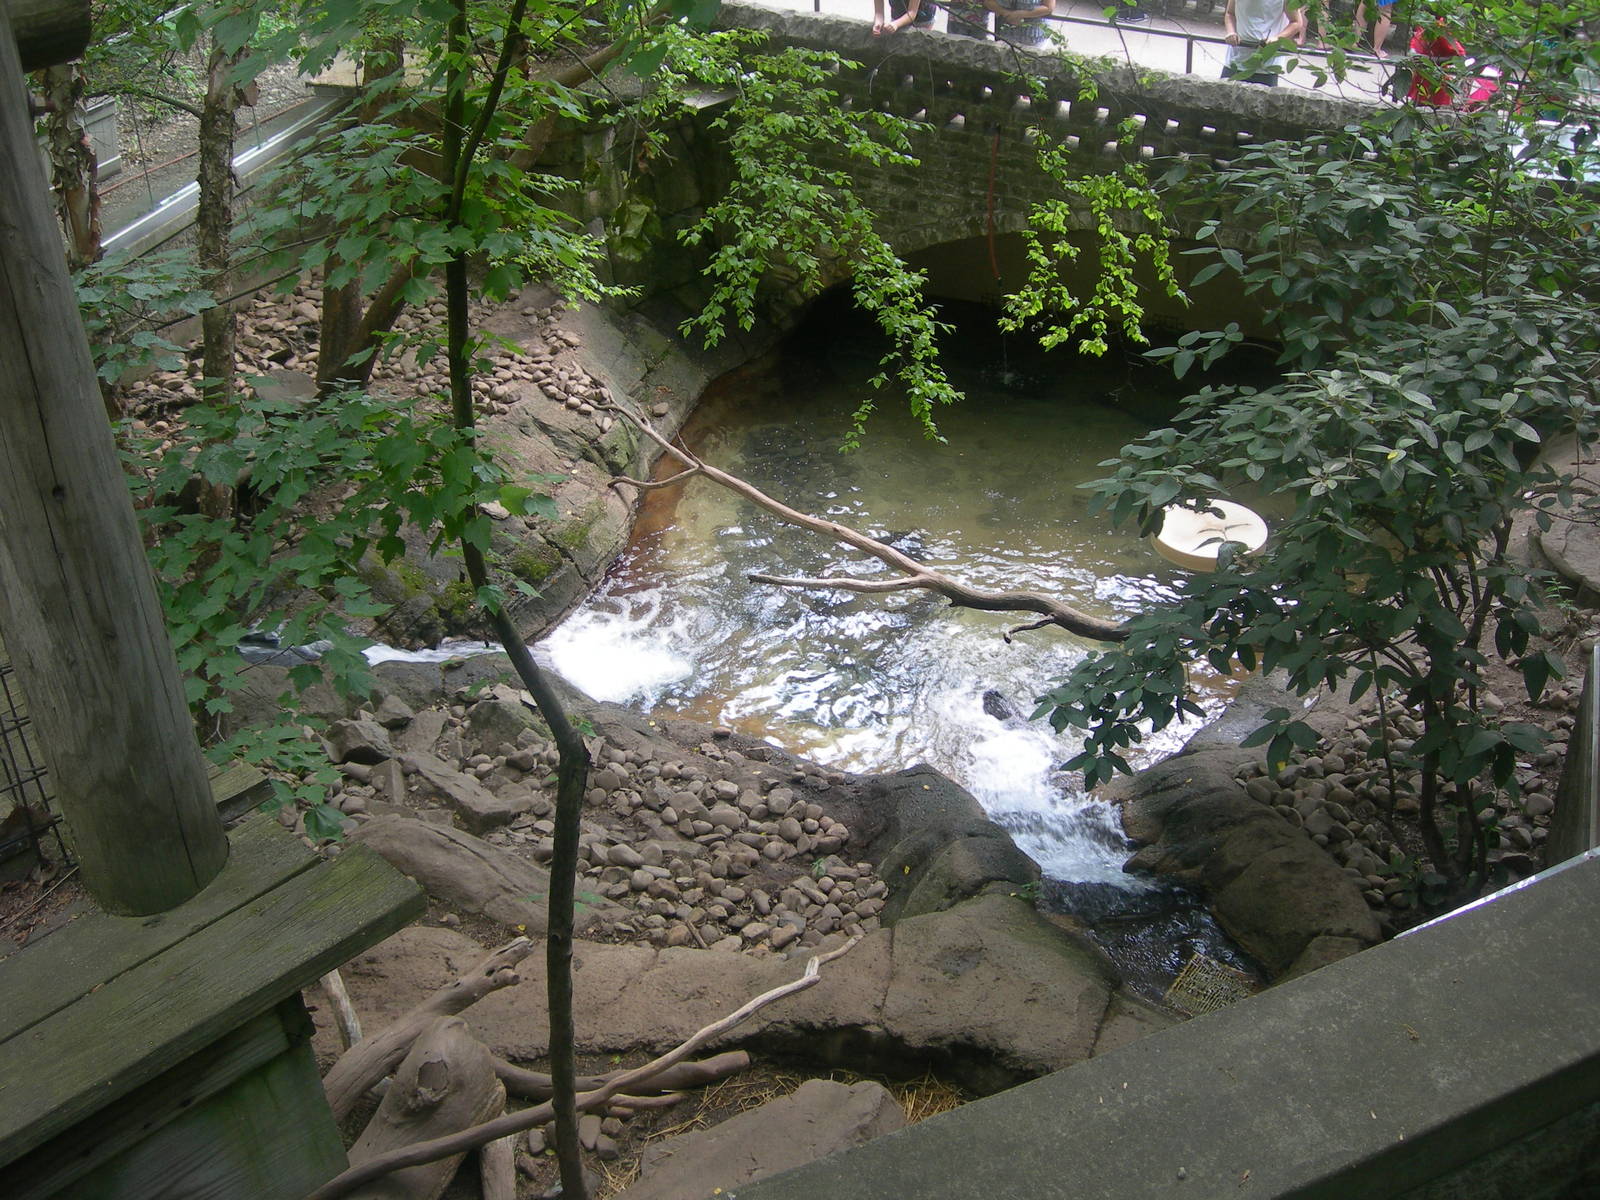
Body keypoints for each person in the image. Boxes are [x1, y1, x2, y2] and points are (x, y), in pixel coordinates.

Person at [1222, 0, 1305, 85]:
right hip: (1236, 59)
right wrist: (1231, 32)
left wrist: (1277, 38)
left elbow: (1296, 22)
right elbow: (1230, 13)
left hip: (1267, 65)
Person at [989, 0, 1057, 46]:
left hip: (1033, 37)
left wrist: (1021, 14)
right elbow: (987, 1)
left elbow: (1049, 7)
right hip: (1005, 34)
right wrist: (1006, 13)